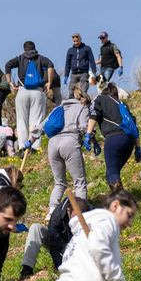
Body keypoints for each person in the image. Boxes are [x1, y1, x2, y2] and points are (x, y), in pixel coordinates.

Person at [23, 86, 91, 216]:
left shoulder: (57, 108)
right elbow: (84, 126)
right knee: (79, 182)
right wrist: (89, 138)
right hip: (70, 142)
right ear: (83, 99)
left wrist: (30, 141)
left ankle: (51, 212)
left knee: (59, 183)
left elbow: (41, 127)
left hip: (52, 144)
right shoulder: (82, 107)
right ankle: (80, 214)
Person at [85, 83, 141, 192]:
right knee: (112, 173)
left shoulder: (100, 98)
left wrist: (88, 135)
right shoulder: (123, 105)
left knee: (112, 174)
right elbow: (134, 126)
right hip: (129, 143)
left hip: (113, 140)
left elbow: (93, 115)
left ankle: (121, 201)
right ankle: (119, 199)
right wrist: (138, 148)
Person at [19, 196, 90, 281]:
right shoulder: (57, 215)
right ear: (68, 211)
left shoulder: (91, 212)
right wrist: (60, 268)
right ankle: (27, 269)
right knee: (35, 228)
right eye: (74, 218)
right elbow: (54, 246)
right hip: (62, 245)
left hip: (83, 248)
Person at [5, 41, 56, 151]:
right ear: (34, 48)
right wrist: (49, 82)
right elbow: (50, 65)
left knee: (21, 121)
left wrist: (10, 82)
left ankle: (23, 147)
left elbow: (8, 65)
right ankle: (35, 147)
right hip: (37, 92)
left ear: (24, 49)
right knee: (36, 121)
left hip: (22, 91)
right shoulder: (40, 58)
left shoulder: (20, 58)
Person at [64, 33, 97, 98]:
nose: (76, 43)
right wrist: (66, 75)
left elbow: (92, 60)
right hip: (74, 74)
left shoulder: (87, 48)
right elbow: (67, 63)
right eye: (74, 41)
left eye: (77, 41)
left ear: (80, 39)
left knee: (83, 92)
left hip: (83, 73)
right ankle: (71, 104)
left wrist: (94, 72)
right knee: (71, 91)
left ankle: (84, 104)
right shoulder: (70, 50)